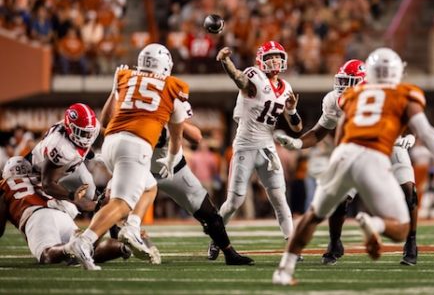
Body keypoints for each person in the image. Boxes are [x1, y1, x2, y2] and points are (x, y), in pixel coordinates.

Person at [272, 48, 434, 286]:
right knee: (399, 226)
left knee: (312, 215)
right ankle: (375, 224)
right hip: (376, 153)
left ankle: (284, 270)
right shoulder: (404, 94)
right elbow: (427, 131)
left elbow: (341, 132)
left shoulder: (349, 98)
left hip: (350, 151)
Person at [274, 59, 420, 266]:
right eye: (341, 80)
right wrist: (297, 143)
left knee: (408, 191)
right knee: (338, 198)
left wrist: (411, 136)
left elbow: (411, 118)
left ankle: (411, 242)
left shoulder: (385, 94)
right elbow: (320, 132)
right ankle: (334, 243)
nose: (342, 87)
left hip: (390, 146)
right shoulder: (335, 100)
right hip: (358, 150)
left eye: (348, 81)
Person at [64, 43, 190, 270]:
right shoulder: (174, 87)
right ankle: (85, 242)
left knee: (150, 187)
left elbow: (104, 121)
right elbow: (177, 137)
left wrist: (114, 90)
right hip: (136, 145)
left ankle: (132, 227)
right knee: (121, 203)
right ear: (166, 66)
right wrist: (172, 160)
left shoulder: (126, 77)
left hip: (112, 142)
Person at [99, 92, 254, 266]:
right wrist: (115, 92)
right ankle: (114, 247)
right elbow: (104, 126)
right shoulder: (131, 108)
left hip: (174, 170)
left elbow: (196, 137)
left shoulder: (171, 102)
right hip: (141, 169)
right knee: (108, 202)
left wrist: (172, 117)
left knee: (210, 214)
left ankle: (229, 252)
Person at [211, 41, 302, 259]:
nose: (275, 61)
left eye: (278, 56)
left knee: (279, 197)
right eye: (270, 57)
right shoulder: (255, 77)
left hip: (267, 147)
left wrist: (292, 109)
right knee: (234, 202)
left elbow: (297, 127)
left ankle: (292, 246)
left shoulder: (287, 87)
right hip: (245, 145)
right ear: (261, 60)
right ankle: (216, 240)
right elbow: (238, 79)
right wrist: (226, 62)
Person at [0, 157, 129, 265]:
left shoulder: (5, 185)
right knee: (88, 250)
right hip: (61, 213)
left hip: (36, 216)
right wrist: (97, 206)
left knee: (47, 255)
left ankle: (69, 248)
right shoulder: (42, 179)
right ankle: (122, 247)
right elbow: (79, 204)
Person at [28, 103, 100, 212]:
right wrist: (73, 198)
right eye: (83, 133)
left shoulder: (91, 128)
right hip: (40, 174)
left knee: (90, 192)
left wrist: (92, 155)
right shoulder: (60, 147)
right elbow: (48, 184)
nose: (87, 137)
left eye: (89, 133)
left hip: (70, 165)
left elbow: (85, 142)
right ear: (69, 127)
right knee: (69, 210)